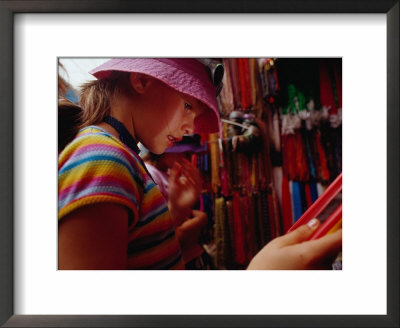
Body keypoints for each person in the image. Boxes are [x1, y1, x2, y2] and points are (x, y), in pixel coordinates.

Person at [58, 58, 341, 270]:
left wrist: (176, 211)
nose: (191, 128)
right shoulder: (102, 158)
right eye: (189, 106)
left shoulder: (119, 156)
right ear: (141, 80)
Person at [141, 135, 213, 269]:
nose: (188, 160)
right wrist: (201, 219)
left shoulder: (163, 174)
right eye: (186, 154)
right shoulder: (152, 175)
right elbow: (169, 234)